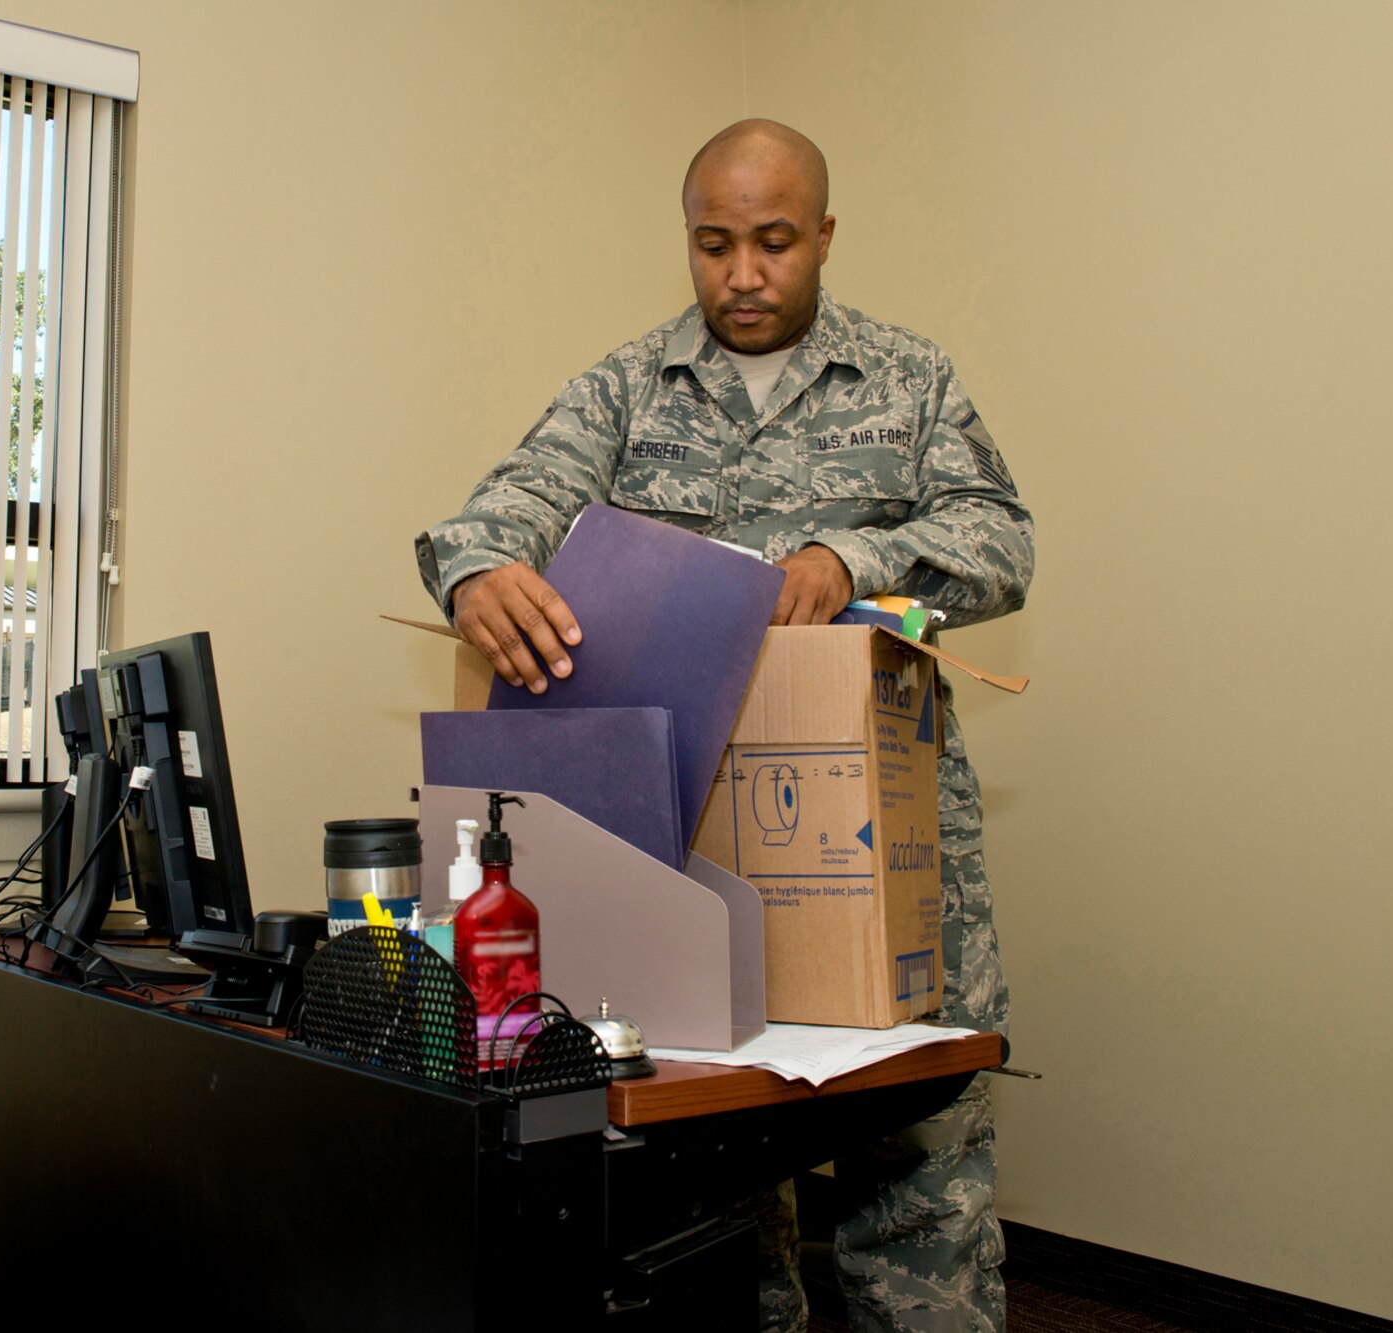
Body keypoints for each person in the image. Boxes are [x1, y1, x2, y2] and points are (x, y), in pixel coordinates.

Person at [413, 119, 1032, 1332]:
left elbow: (1001, 544)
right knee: (710, 1177)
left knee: (915, 1175)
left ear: (823, 236)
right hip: (689, 837)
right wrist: (479, 572)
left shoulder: (908, 381)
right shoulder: (625, 387)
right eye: (712, 245)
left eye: (772, 243)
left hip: (885, 858)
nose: (741, 276)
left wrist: (848, 551)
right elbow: (504, 505)